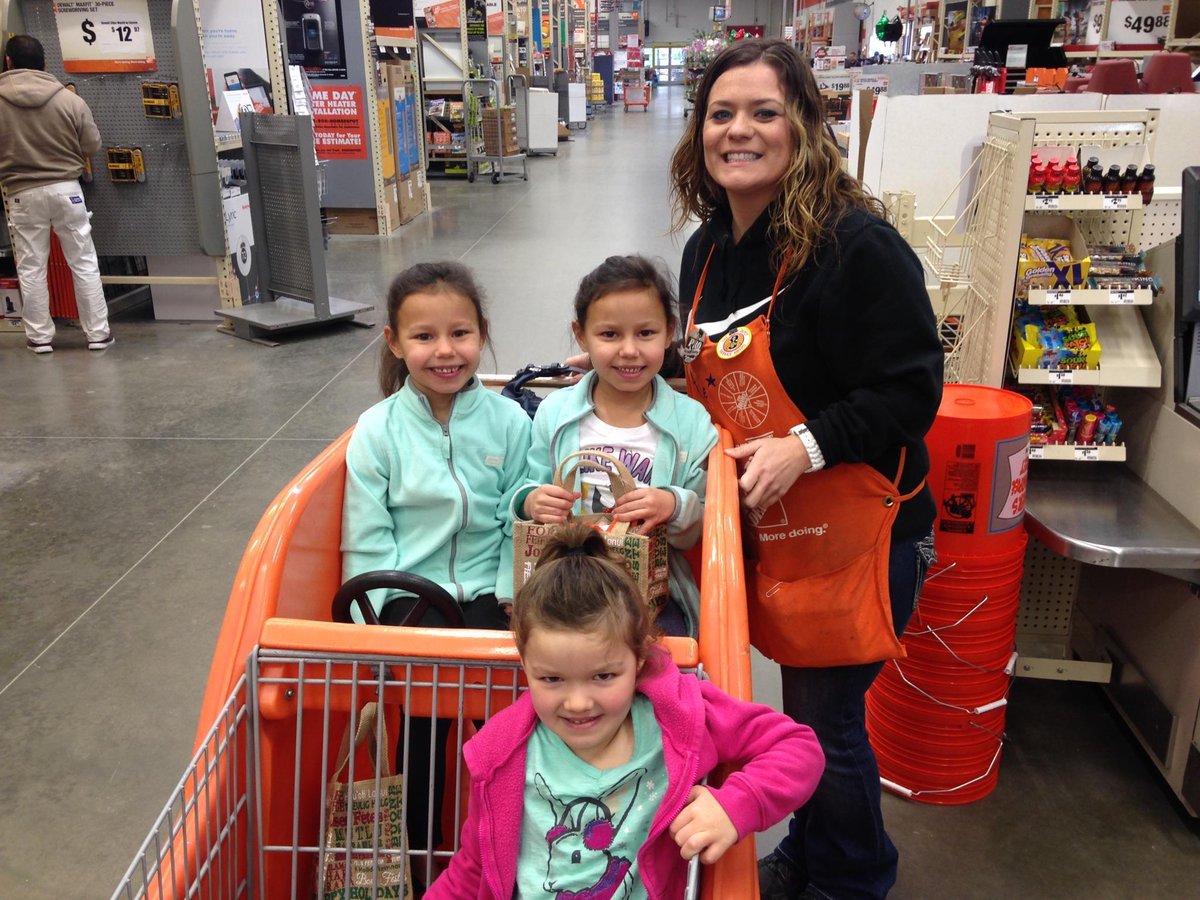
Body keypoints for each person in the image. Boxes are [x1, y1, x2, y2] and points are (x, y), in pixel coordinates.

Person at [667, 39, 943, 900]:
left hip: (862, 534)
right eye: (721, 114)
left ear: (807, 128)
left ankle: (852, 880)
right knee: (803, 714)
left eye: (763, 112)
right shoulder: (709, 249)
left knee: (828, 722)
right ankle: (813, 856)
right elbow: (710, 369)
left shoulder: (856, 247)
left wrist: (806, 447)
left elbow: (910, 390)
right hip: (777, 535)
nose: (738, 131)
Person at [426, 524, 825, 899]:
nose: (578, 702)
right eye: (551, 680)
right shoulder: (500, 755)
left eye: (603, 676)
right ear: (525, 666)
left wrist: (735, 804)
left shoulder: (680, 715)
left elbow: (798, 747)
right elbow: (473, 868)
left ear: (639, 659)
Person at [340, 260, 532, 885]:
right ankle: (424, 870)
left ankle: (507, 858)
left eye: (460, 333)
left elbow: (516, 517)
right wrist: (380, 621)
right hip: (409, 605)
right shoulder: (377, 432)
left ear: (482, 333)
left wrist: (512, 596)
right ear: (395, 342)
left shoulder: (510, 422)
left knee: (506, 737)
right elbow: (368, 540)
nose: (445, 351)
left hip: (488, 599)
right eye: (424, 337)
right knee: (421, 737)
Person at [514, 254, 717, 637]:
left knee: (665, 657)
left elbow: (703, 523)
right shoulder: (557, 414)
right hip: (564, 582)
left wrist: (672, 505)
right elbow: (528, 485)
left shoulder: (691, 423)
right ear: (581, 334)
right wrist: (531, 501)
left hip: (652, 593)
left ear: (670, 330)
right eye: (609, 335)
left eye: (646, 333)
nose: (629, 350)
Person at [0, 35, 112, 353]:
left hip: (21, 193)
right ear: (45, 63)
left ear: (8, 62)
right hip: (68, 190)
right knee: (83, 262)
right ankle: (98, 335)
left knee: (32, 266)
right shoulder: (69, 100)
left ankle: (39, 338)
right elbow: (92, 146)